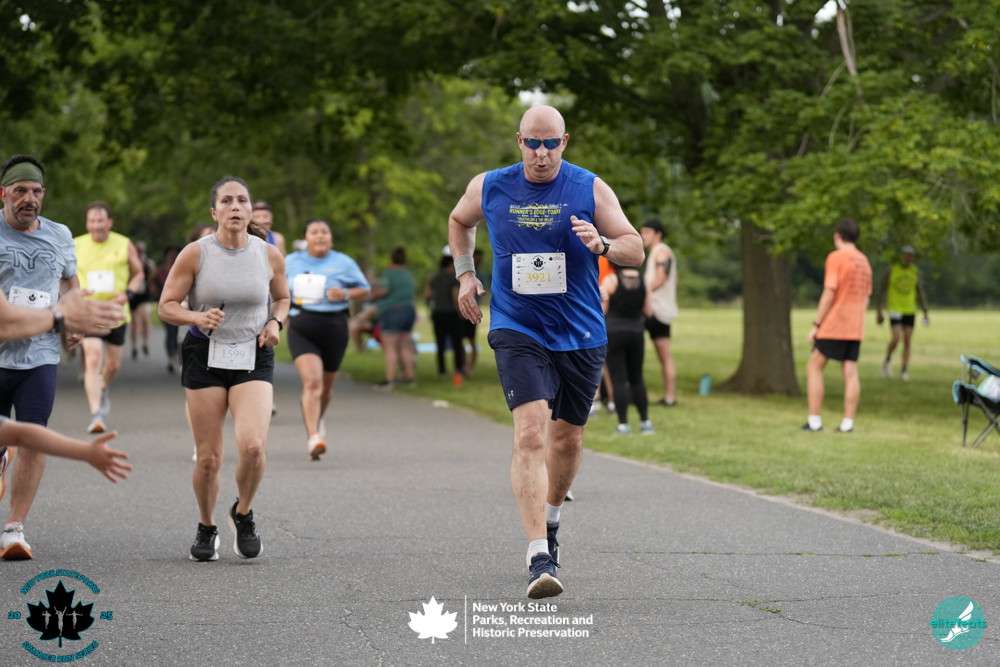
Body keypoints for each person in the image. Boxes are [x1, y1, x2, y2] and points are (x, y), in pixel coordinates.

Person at [448, 105, 644, 599]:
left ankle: (551, 521)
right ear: (519, 141)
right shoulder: (490, 186)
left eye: (550, 143)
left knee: (567, 441)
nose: (541, 153)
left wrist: (602, 244)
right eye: (533, 143)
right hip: (518, 326)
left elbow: (635, 247)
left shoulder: (589, 187)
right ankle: (539, 554)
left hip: (580, 331)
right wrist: (465, 274)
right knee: (531, 432)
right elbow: (459, 220)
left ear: (565, 142)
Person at [158, 176, 290, 562]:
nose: (235, 206)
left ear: (250, 210)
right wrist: (196, 316)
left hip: (253, 352)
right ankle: (206, 525)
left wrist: (275, 323)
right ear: (214, 211)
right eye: (227, 201)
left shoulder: (268, 254)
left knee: (253, 447)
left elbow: (282, 298)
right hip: (205, 354)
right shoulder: (195, 253)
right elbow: (166, 306)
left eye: (242, 200)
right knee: (208, 459)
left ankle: (243, 513)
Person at [0, 155, 111, 560]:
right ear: (3, 194)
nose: (28, 199)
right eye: (19, 191)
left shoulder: (60, 235)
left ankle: (14, 529)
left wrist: (73, 319)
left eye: (35, 192)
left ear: (44, 195)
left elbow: (68, 281)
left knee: (34, 436)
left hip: (40, 355)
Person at [284, 217, 369, 460]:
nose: (320, 236)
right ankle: (313, 437)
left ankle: (317, 419)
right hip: (302, 325)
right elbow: (276, 288)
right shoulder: (291, 261)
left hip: (334, 326)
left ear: (331, 238)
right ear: (305, 238)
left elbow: (364, 289)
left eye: (325, 232)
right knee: (312, 383)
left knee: (326, 388)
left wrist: (344, 293)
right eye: (314, 232)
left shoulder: (344, 262)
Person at [74, 202, 145, 434]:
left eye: (101, 221)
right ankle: (96, 415)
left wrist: (128, 294)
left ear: (110, 222)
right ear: (87, 223)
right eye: (92, 221)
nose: (97, 225)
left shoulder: (124, 244)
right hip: (89, 311)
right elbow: (64, 276)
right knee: (93, 358)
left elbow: (139, 273)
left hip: (116, 312)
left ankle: (102, 387)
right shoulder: (75, 245)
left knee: (113, 365)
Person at [803, 218, 873, 434]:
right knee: (851, 373)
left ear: (837, 236)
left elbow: (829, 291)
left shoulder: (836, 257)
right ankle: (847, 423)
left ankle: (814, 421)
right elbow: (866, 297)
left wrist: (816, 324)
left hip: (835, 323)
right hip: (856, 326)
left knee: (814, 367)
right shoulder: (864, 261)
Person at [602, 262, 654, 435]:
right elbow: (649, 311)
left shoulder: (611, 280)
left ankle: (623, 425)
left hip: (614, 332)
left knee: (618, 380)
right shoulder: (644, 280)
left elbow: (603, 310)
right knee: (637, 378)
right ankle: (645, 422)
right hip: (636, 331)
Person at [876, 245, 930, 381]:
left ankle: (904, 370)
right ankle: (887, 359)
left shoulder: (915, 272)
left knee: (907, 340)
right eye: (906, 255)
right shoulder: (891, 270)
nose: (908, 258)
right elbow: (881, 290)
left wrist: (925, 311)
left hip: (910, 309)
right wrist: (879, 310)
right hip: (894, 309)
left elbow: (920, 292)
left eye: (911, 256)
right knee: (896, 338)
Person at [640, 219, 678, 406]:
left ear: (658, 234)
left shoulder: (661, 252)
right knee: (664, 356)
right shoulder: (658, 252)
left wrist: (641, 293)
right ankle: (670, 397)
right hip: (659, 310)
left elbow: (661, 278)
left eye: (647, 232)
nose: (642, 236)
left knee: (626, 348)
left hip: (654, 310)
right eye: (642, 232)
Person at [372, 246, 416, 388]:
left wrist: (373, 291)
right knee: (404, 346)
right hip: (409, 311)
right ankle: (410, 378)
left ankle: (389, 380)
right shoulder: (407, 274)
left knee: (390, 347)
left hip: (393, 312)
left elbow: (383, 291)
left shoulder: (388, 274)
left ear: (391, 260)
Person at [425, 255, 465, 383]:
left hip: (437, 313)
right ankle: (458, 369)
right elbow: (455, 296)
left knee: (440, 343)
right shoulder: (453, 278)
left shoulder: (434, 277)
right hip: (451, 313)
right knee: (456, 342)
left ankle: (442, 370)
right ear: (450, 264)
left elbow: (428, 294)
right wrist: (460, 312)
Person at [127, 240, 159, 360]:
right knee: (134, 323)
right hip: (132, 294)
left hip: (144, 294)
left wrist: (153, 286)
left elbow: (153, 277)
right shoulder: (129, 263)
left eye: (141, 250)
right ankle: (134, 346)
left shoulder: (148, 263)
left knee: (145, 317)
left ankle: (145, 343)